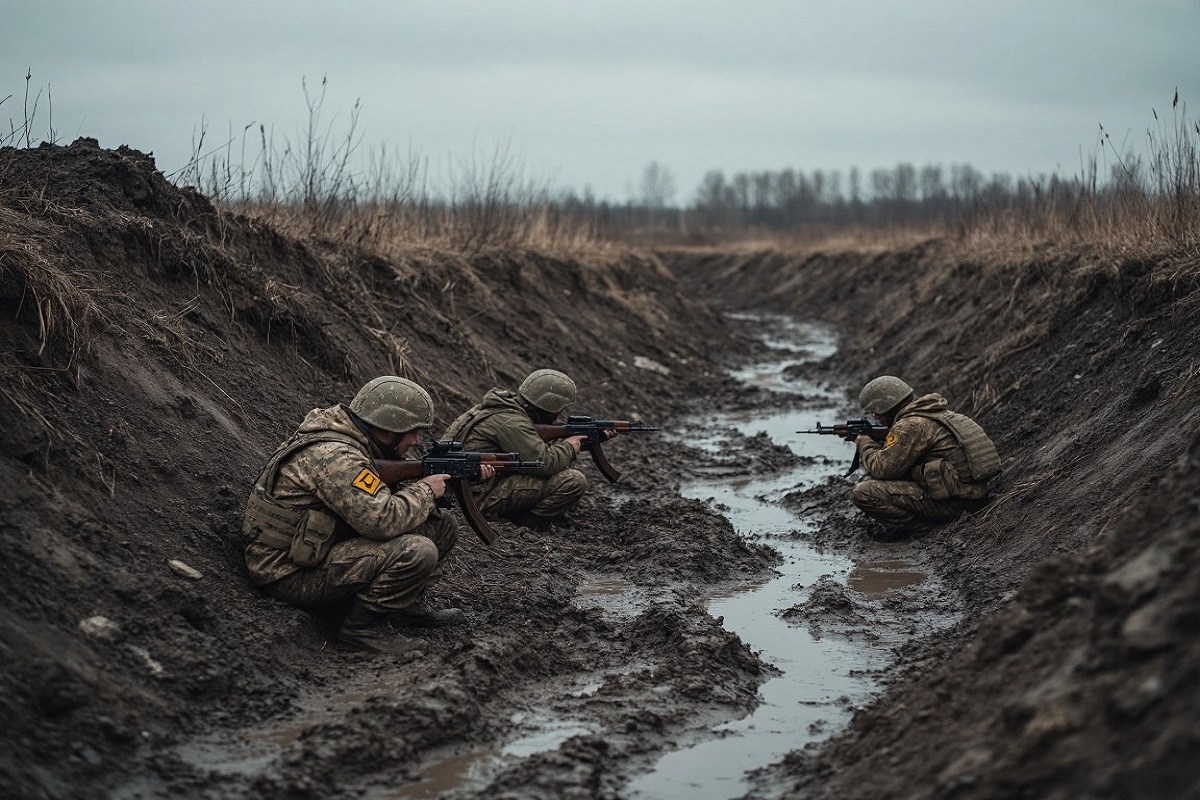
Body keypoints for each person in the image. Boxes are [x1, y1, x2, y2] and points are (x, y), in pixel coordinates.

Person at [241, 376, 493, 654]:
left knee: (440, 525)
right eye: (414, 431)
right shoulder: (337, 457)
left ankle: (404, 605)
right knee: (417, 551)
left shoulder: (351, 443)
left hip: (317, 553)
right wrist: (424, 490)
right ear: (390, 426)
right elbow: (382, 521)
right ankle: (362, 630)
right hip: (288, 574)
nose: (417, 440)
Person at [440, 368, 593, 530]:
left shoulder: (495, 408)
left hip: (462, 492)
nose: (558, 416)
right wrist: (570, 445)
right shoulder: (512, 422)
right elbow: (546, 463)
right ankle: (529, 523)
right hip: (476, 500)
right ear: (549, 406)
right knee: (572, 480)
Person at [850, 375, 1000, 539]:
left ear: (885, 406)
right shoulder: (936, 414)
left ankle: (922, 529)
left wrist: (864, 443)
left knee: (863, 492)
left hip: (955, 505)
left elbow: (882, 470)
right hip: (974, 496)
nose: (875, 416)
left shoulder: (910, 425)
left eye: (876, 412)